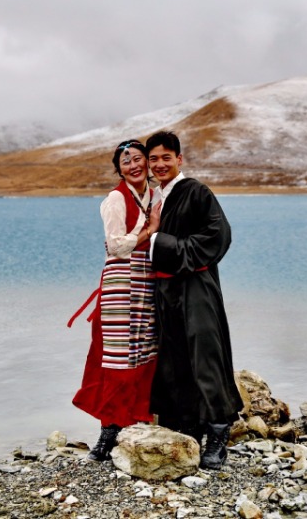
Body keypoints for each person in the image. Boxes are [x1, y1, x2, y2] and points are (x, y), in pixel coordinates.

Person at [144, 130, 242, 470]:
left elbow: (219, 236)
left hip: (197, 287)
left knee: (205, 354)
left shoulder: (196, 191)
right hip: (166, 292)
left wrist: (162, 243)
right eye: (153, 159)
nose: (159, 164)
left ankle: (218, 434)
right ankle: (186, 427)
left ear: (179, 159)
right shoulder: (156, 197)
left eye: (165, 158)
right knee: (173, 357)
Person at [69, 139, 162, 461]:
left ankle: (136, 418)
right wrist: (149, 230)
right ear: (119, 169)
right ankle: (108, 430)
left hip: (148, 281)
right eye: (126, 162)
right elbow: (116, 246)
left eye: (138, 159)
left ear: (147, 164)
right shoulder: (114, 198)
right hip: (121, 281)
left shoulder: (156, 195)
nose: (134, 166)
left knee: (144, 350)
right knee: (117, 356)